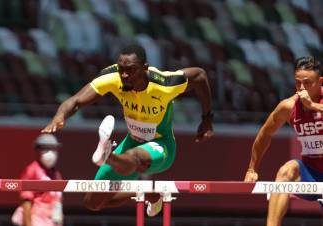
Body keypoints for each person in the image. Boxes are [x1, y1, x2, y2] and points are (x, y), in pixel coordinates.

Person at [42, 44, 214, 213]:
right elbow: (77, 100)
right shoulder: (113, 77)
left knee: (134, 158)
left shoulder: (165, 83)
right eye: (121, 69)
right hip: (132, 140)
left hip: (161, 144)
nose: (124, 75)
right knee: (93, 202)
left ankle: (107, 156)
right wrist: (59, 116)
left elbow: (200, 75)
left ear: (144, 68)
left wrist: (206, 120)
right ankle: (144, 190)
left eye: (131, 70)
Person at [244, 56, 323, 226]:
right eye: (298, 82)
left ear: (320, 82)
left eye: (308, 83)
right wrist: (252, 168)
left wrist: (313, 107)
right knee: (286, 170)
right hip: (311, 174)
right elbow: (265, 134)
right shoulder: (288, 107)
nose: (302, 88)